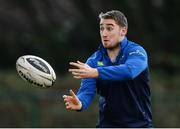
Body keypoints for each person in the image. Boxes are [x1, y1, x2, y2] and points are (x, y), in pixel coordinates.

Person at [63, 10, 153, 128]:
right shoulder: (94, 61)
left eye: (109, 28)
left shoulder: (136, 52)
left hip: (140, 125)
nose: (104, 33)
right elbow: (87, 91)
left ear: (123, 31)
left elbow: (129, 71)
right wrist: (80, 102)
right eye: (101, 28)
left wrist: (96, 72)